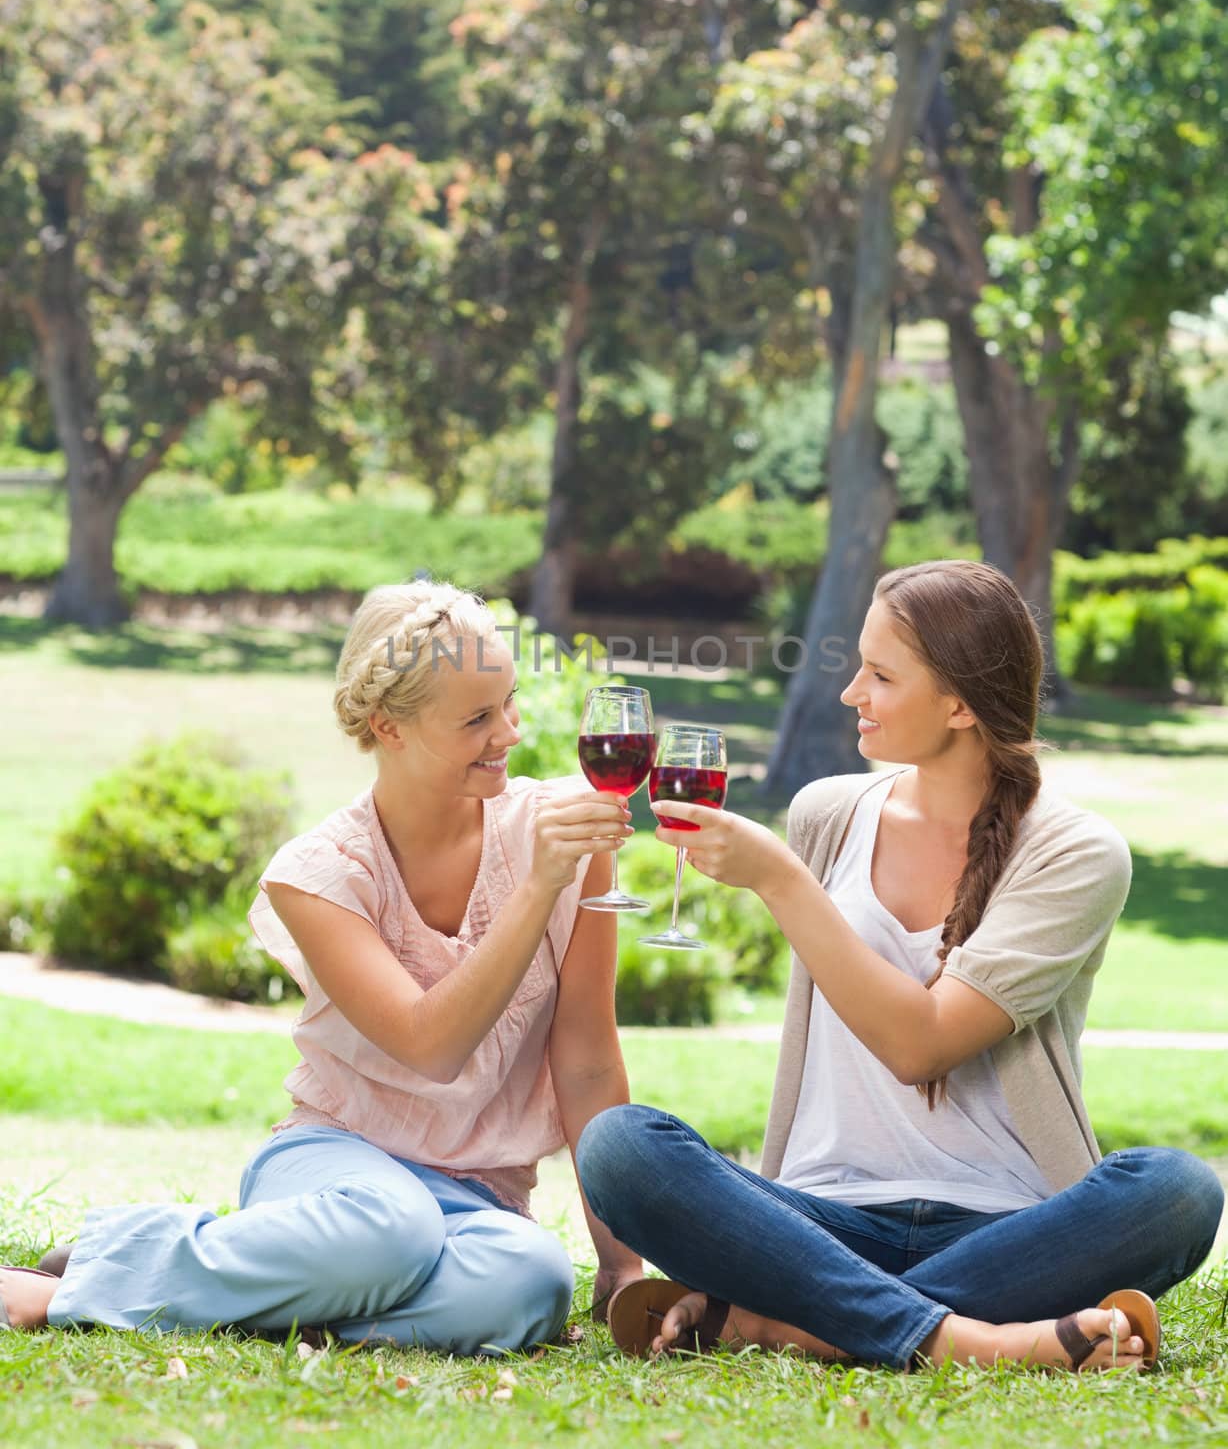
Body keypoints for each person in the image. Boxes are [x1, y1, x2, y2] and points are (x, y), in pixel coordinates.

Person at [577, 560, 1224, 1374]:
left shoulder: (1075, 852)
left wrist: (779, 879)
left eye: (881, 675)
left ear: (959, 705)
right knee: (620, 1147)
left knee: (1178, 1191)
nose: (852, 693)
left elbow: (923, 1044)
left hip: (1008, 1225)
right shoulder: (829, 814)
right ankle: (978, 1342)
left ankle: (780, 1323)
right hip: (817, 1216)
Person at [1, 583, 644, 1353]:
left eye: (508, 703)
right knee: (391, 1232)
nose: (508, 732)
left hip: (479, 1199)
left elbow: (587, 1065)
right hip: (336, 1166)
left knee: (532, 1281)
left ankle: (247, 1297)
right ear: (388, 727)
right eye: (477, 718)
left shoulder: (564, 838)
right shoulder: (320, 873)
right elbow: (429, 1044)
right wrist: (538, 886)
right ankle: (104, 1269)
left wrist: (621, 1262)